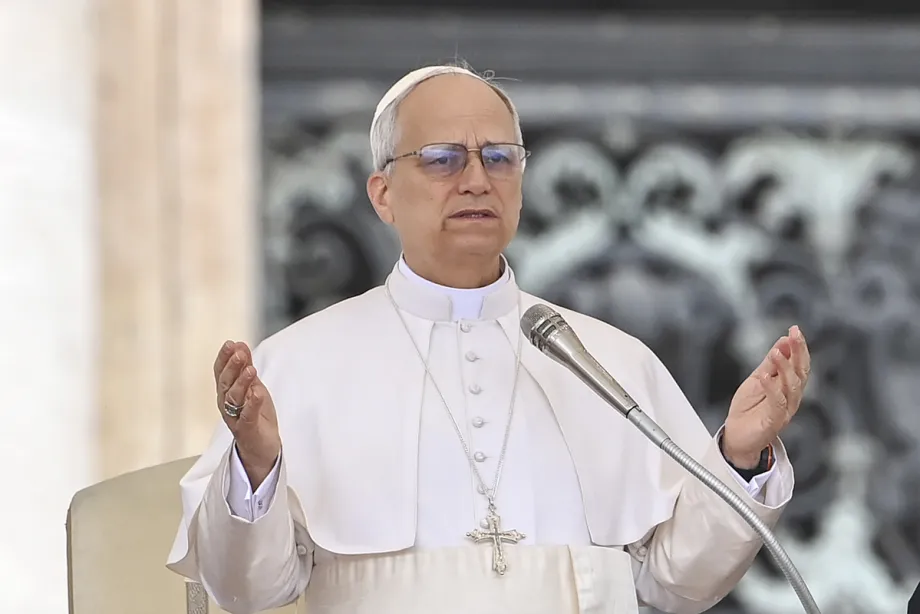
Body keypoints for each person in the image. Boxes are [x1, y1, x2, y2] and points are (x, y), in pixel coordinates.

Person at [166, 63, 810, 614]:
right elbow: (248, 590)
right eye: (442, 159)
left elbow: (679, 582)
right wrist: (255, 463)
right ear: (383, 195)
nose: (476, 179)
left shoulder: (606, 358)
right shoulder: (299, 362)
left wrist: (739, 456)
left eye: (499, 158)